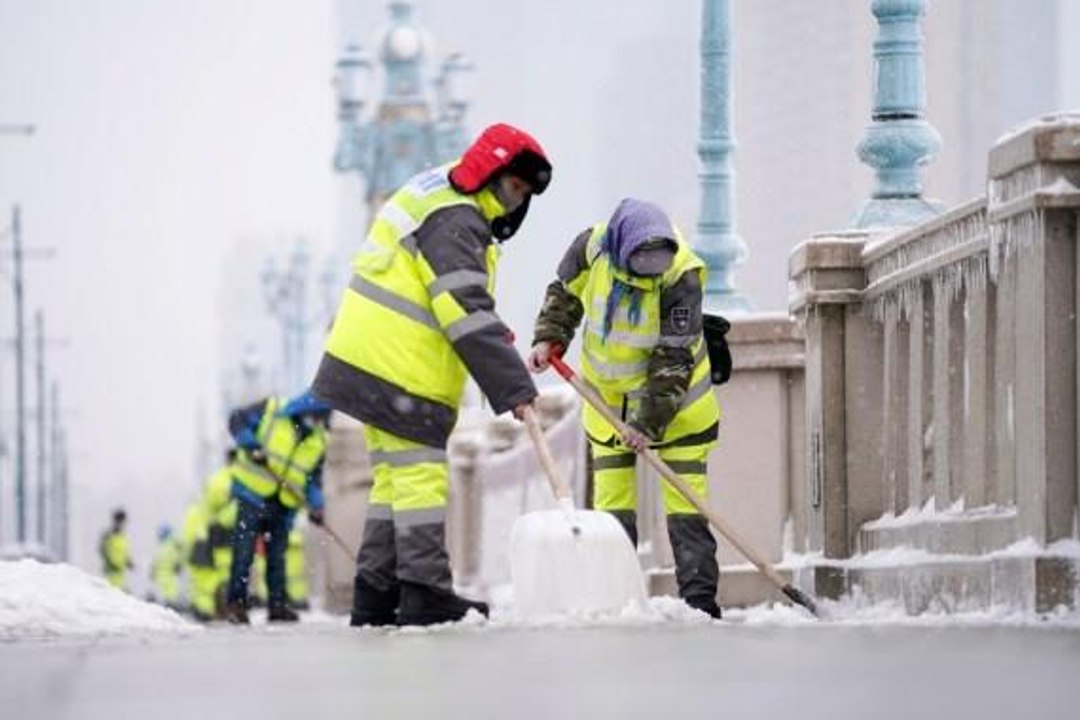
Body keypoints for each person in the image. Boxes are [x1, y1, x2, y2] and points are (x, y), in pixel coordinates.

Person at [311, 122, 552, 627]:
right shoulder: (457, 220)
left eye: (523, 194)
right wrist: (514, 389)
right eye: (512, 187)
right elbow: (463, 309)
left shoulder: (439, 196)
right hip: (399, 368)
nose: (514, 202)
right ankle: (424, 592)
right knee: (420, 477)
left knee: (395, 482)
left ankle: (375, 594)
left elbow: (456, 303)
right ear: (490, 173)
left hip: (367, 363)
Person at [527, 198, 723, 619]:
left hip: (680, 410)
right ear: (622, 249)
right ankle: (615, 602)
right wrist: (549, 339)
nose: (650, 271)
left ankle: (700, 605)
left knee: (688, 511)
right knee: (614, 514)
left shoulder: (681, 275)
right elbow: (564, 294)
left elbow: (674, 357)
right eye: (641, 262)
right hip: (607, 405)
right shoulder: (593, 248)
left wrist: (647, 424)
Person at [223, 391, 329, 624]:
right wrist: (251, 445)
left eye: (322, 419)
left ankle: (277, 606)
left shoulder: (319, 440)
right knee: (244, 552)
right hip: (252, 493)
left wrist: (317, 505)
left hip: (283, 503)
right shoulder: (270, 409)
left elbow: (313, 479)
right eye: (316, 417)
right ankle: (236, 605)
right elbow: (236, 419)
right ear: (304, 411)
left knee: (277, 556)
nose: (318, 423)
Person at [148, 524, 184, 611]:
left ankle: (169, 607)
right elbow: (180, 556)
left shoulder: (165, 546)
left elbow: (156, 561)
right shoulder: (173, 544)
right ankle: (171, 607)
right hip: (169, 574)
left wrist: (153, 571)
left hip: (165, 574)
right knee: (171, 595)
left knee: (168, 595)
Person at [99, 507, 133, 591]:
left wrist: (128, 562)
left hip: (119, 571)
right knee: (110, 592)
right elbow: (102, 550)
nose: (123, 524)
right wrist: (110, 563)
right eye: (121, 521)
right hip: (110, 571)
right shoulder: (108, 535)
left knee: (118, 591)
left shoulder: (122, 536)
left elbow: (123, 552)